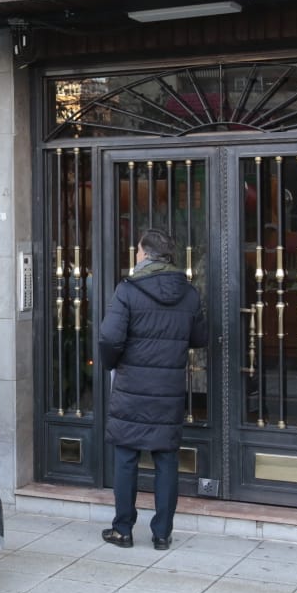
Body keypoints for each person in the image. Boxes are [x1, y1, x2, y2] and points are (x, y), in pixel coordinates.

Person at [98, 227, 208, 549]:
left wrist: (112, 364)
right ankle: (162, 534)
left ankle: (123, 530)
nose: (135, 255)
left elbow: (109, 338)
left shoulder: (128, 290)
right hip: (169, 388)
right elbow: (199, 337)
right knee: (166, 460)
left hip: (132, 386)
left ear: (145, 254)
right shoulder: (188, 293)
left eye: (136, 250)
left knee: (126, 457)